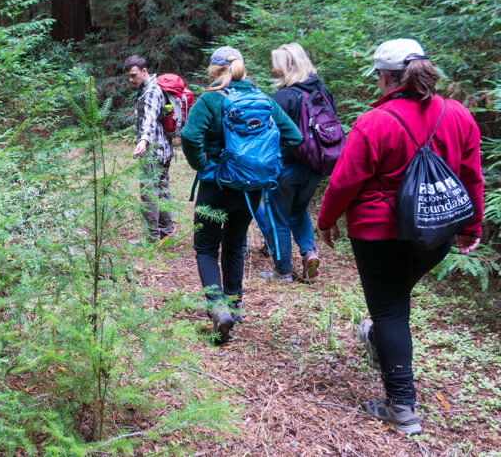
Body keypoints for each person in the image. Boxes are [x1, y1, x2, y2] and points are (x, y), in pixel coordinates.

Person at [317, 38, 484, 435]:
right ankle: (379, 335)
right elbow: (471, 177)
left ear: (388, 78)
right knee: (393, 302)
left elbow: (344, 182)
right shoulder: (458, 115)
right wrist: (470, 228)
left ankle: (403, 409)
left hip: (379, 233)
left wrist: (327, 220)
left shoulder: (374, 122)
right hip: (437, 231)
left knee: (390, 310)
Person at [181, 46, 301, 342]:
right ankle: (234, 306)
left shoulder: (210, 99)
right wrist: (264, 164)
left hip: (216, 187)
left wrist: (203, 164)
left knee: (207, 248)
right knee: (235, 246)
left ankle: (217, 307)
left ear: (214, 70)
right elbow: (293, 137)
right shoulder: (264, 100)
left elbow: (188, 135)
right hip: (251, 190)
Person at [260, 43, 335, 282]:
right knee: (299, 210)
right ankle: (309, 252)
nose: (273, 70)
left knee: (278, 216)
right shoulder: (322, 92)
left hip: (285, 167)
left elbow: (268, 134)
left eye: (276, 65)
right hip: (314, 165)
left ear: (285, 66)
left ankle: (282, 271)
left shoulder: (282, 97)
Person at [124, 55, 174, 242]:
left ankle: (151, 238)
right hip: (163, 149)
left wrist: (144, 140)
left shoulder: (152, 90)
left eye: (134, 75)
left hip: (153, 151)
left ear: (144, 71)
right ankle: (166, 232)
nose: (131, 79)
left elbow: (150, 118)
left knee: (148, 193)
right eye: (128, 76)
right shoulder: (150, 88)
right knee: (162, 190)